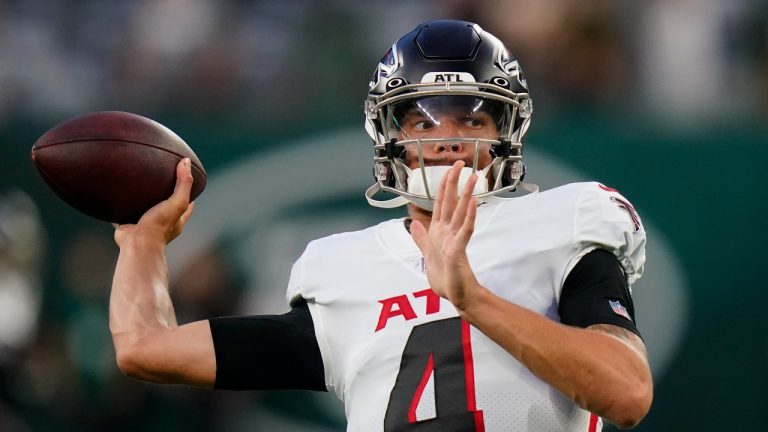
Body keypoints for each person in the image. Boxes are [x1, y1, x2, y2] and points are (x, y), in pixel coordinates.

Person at [110, 20, 652, 431]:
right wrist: (141, 243)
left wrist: (473, 298)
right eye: (423, 119)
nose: (447, 137)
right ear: (389, 137)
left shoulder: (563, 224)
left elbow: (625, 392)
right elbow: (144, 348)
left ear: (507, 132)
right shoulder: (344, 272)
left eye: (472, 116)